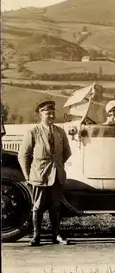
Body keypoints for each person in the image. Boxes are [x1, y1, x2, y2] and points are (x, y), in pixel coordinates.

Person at [17, 100, 72, 246]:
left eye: (53, 113)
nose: (51, 115)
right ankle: (36, 236)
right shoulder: (33, 132)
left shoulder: (60, 132)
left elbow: (67, 153)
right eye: (48, 113)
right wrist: (28, 176)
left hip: (57, 176)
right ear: (41, 115)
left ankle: (57, 235)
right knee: (38, 206)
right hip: (39, 176)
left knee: (56, 207)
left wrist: (57, 166)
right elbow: (23, 155)